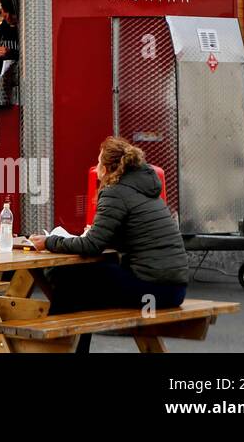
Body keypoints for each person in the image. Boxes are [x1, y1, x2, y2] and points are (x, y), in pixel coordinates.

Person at [28, 136, 189, 353]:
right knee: (84, 282)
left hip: (153, 293)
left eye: (98, 160)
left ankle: (60, 348)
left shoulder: (116, 192)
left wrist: (49, 241)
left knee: (71, 279)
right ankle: (72, 349)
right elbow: (127, 234)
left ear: (106, 168)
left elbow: (92, 246)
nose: (95, 166)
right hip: (174, 289)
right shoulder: (145, 189)